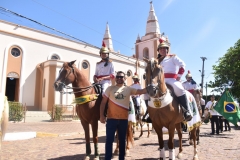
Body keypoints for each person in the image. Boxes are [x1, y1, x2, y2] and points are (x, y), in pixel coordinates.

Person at [99, 71, 148, 160]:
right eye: (117, 77)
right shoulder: (110, 89)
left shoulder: (129, 89)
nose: (119, 78)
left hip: (123, 120)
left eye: (121, 77)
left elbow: (142, 91)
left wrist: (150, 84)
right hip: (111, 119)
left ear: (125, 79)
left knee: (122, 141)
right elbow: (103, 103)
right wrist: (101, 115)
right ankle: (107, 158)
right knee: (109, 141)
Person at [157, 37, 192, 121]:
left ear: (167, 49)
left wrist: (179, 76)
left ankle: (186, 111)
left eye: (164, 48)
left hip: (172, 79)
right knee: (150, 92)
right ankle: (148, 113)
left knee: (180, 89)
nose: (162, 50)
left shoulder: (172, 57)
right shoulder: (157, 61)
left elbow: (182, 65)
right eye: (160, 49)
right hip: (160, 80)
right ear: (158, 50)